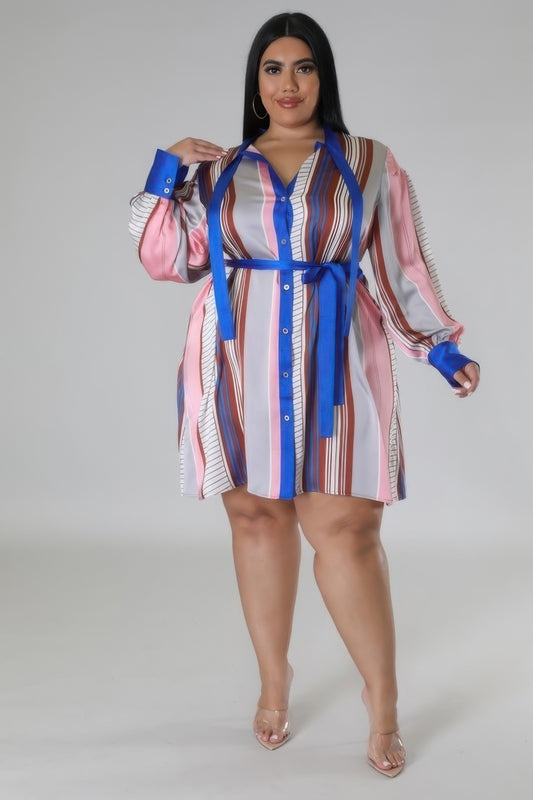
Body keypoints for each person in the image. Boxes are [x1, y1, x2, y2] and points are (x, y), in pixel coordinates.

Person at [128, 11, 479, 777]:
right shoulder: (218, 171)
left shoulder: (368, 161)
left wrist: (437, 344)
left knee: (347, 531)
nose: (288, 83)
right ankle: (273, 680)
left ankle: (381, 703)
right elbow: (166, 259)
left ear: (324, 76)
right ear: (254, 82)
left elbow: (398, 264)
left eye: (303, 67)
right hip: (235, 363)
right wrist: (165, 171)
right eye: (272, 68)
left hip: (338, 364)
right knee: (255, 518)